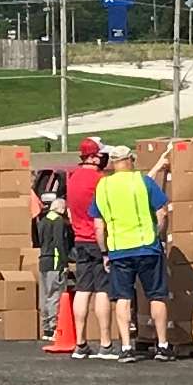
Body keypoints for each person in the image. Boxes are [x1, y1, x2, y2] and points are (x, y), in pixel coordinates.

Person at [92, 144, 173, 361]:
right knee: (157, 295)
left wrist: (104, 252)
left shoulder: (103, 186)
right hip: (148, 247)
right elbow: (162, 212)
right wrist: (159, 235)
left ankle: (126, 347)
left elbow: (98, 225)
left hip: (119, 251)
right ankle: (163, 345)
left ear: (113, 163)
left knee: (122, 297)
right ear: (130, 160)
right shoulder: (143, 181)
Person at [65, 141, 110, 359]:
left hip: (80, 239)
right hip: (97, 239)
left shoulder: (73, 178)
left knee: (82, 290)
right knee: (103, 290)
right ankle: (105, 343)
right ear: (93, 157)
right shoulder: (99, 180)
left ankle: (80, 343)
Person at [29, 170, 75, 343]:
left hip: (43, 259)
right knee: (55, 294)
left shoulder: (43, 220)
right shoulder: (58, 222)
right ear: (61, 208)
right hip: (55, 260)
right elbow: (59, 243)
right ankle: (54, 326)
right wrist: (65, 262)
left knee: (45, 295)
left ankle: (46, 327)